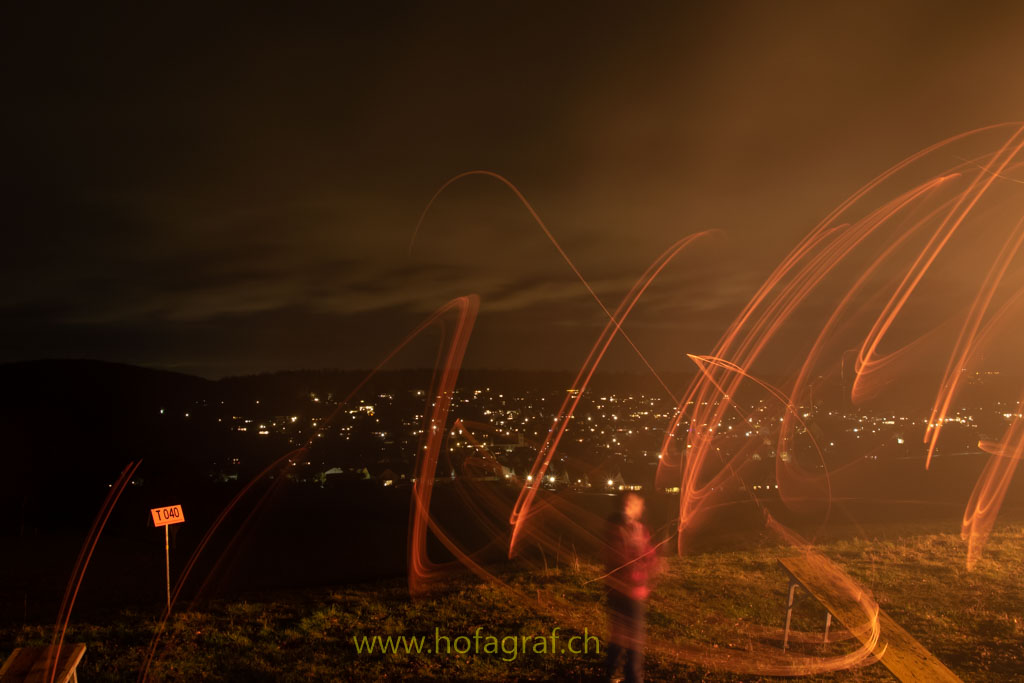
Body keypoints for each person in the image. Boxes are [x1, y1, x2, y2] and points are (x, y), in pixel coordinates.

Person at [603, 492, 659, 683]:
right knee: (628, 636)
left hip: (630, 590)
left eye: (637, 503)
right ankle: (628, 676)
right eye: (629, 503)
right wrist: (639, 561)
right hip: (623, 590)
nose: (639, 507)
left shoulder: (639, 529)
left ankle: (618, 673)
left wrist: (652, 562)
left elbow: (648, 553)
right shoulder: (617, 529)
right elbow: (618, 556)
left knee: (624, 634)